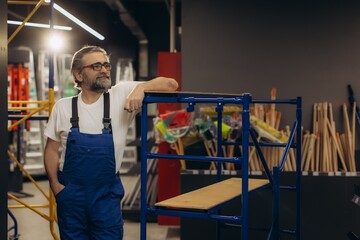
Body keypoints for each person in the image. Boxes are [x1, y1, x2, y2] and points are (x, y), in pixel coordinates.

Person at [44, 45, 178, 240]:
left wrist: (141, 87)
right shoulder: (63, 107)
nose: (105, 70)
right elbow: (52, 149)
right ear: (78, 74)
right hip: (71, 195)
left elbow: (171, 85)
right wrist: (56, 186)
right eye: (96, 66)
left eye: (107, 65)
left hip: (105, 196)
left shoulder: (120, 94)